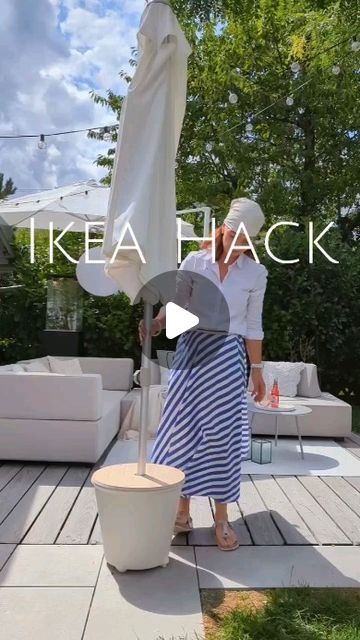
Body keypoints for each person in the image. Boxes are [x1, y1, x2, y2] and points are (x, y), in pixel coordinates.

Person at [138, 198, 268, 551]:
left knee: (221, 437)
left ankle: (222, 517)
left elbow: (253, 326)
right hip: (192, 351)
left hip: (228, 356)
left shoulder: (256, 274)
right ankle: (182, 512)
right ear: (224, 228)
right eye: (235, 234)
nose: (240, 244)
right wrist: (159, 321)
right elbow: (178, 304)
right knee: (182, 432)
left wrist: (256, 371)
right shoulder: (195, 261)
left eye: (247, 240)